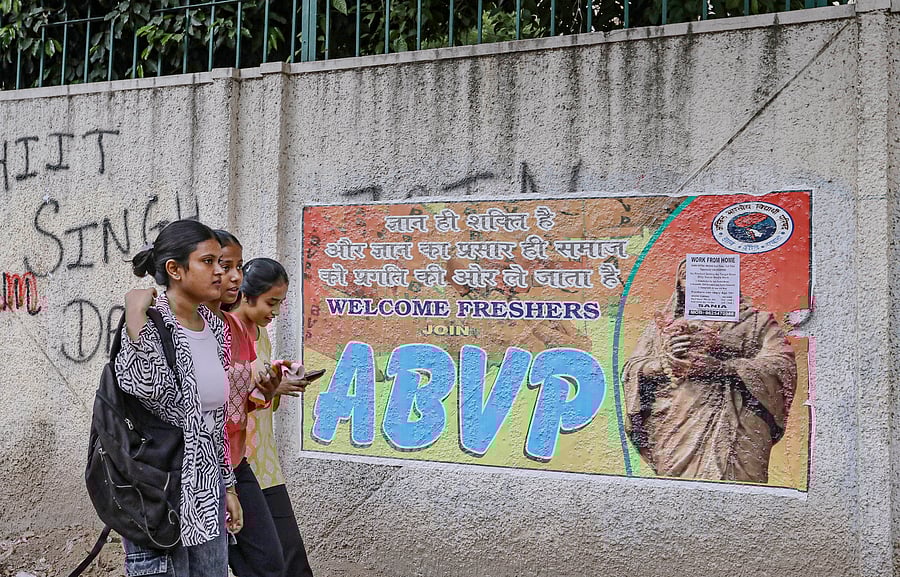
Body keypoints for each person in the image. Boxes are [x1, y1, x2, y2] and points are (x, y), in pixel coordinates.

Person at [115, 219, 242, 576]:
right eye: (208, 262)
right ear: (175, 269)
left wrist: (227, 486)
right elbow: (152, 392)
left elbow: (212, 422)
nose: (220, 272)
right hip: (160, 493)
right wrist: (135, 316)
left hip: (206, 493)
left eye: (220, 262)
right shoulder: (150, 323)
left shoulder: (213, 327)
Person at [621, 259, 797, 483]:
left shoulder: (757, 323)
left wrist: (725, 367)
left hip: (740, 429)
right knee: (680, 492)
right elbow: (633, 368)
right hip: (678, 426)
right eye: (687, 277)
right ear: (679, 285)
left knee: (740, 492)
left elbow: (782, 365)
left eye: (709, 276)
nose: (696, 283)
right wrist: (664, 363)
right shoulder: (665, 326)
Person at [207, 230, 289, 577]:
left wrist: (267, 392)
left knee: (269, 562)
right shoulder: (177, 327)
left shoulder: (239, 330)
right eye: (220, 265)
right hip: (200, 468)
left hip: (236, 462)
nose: (234, 276)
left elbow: (236, 408)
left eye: (238, 267)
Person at [241, 258, 315, 577]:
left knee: (290, 557)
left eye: (280, 303)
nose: (276, 311)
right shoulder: (223, 334)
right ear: (246, 295)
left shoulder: (261, 333)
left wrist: (275, 387)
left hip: (265, 463)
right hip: (236, 465)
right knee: (265, 563)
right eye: (271, 302)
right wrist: (269, 389)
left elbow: (261, 403)